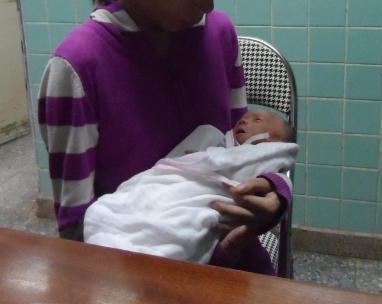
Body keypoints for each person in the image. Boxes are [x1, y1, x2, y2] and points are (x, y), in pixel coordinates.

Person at [38, 0, 292, 275]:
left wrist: (274, 194)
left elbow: (241, 152)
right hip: (140, 281)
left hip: (235, 266)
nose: (208, 4)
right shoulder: (78, 67)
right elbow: (77, 229)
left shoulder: (220, 35)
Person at [83, 110, 298, 266]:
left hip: (205, 210)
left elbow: (276, 169)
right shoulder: (213, 140)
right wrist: (199, 161)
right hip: (164, 189)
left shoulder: (257, 156)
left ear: (272, 142)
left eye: (257, 120)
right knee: (113, 209)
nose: (244, 120)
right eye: (245, 118)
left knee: (180, 229)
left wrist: (280, 188)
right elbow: (165, 172)